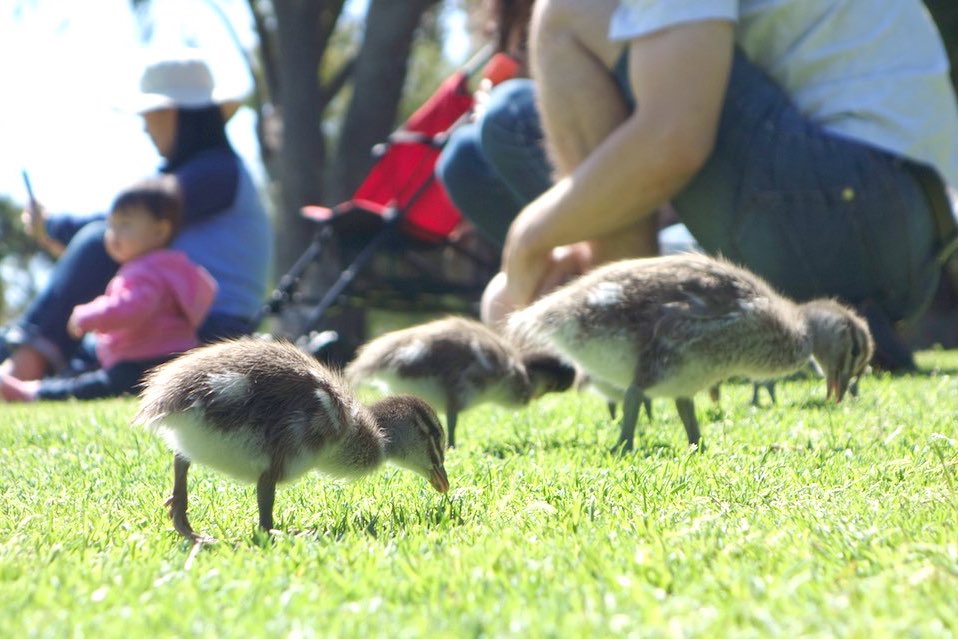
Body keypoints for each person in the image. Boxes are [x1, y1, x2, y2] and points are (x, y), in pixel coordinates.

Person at [483, 0, 958, 371]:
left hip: (854, 195)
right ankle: (621, 305)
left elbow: (675, 138)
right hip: (911, 232)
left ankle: (629, 336)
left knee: (567, 13)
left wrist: (527, 240)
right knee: (505, 124)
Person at [0, 48, 273, 382]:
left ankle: (23, 363)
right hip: (180, 318)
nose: (145, 128)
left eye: (149, 115)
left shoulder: (216, 172)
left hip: (202, 325)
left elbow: (122, 228)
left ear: (173, 114)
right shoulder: (217, 171)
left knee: (97, 240)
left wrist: (53, 224)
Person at [1, 178, 216, 401]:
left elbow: (133, 306)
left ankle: (35, 392)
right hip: (168, 356)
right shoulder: (171, 268)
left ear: (160, 231)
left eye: (125, 224)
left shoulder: (146, 271)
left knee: (97, 386)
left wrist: (89, 315)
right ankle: (36, 388)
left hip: (145, 360)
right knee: (94, 377)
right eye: (111, 224)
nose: (112, 232)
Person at [435, 0, 552, 246]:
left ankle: (598, 249)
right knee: (461, 154)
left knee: (507, 111)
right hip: (545, 139)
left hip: (595, 129)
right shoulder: (509, 21)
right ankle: (545, 267)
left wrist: (503, 108)